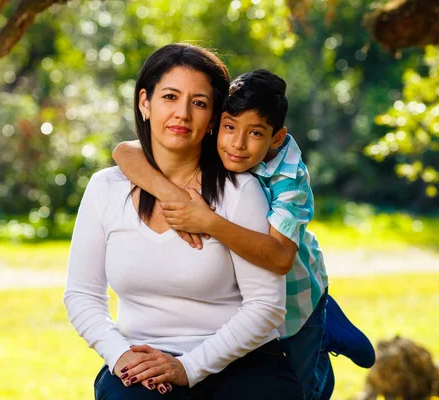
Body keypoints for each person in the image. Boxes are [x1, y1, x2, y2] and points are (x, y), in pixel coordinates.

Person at [112, 69, 375, 399]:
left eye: (255, 133)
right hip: (247, 296)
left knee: (299, 384)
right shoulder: (214, 141)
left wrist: (207, 222)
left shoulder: (290, 179)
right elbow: (124, 151)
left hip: (297, 297)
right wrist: (175, 198)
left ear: (276, 138)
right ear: (217, 123)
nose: (236, 143)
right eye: (229, 127)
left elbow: (280, 258)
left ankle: (324, 327)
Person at [64, 44, 303, 400]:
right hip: (143, 360)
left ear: (213, 118)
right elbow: (82, 294)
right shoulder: (105, 188)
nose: (182, 114)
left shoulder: (240, 191)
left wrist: (188, 368)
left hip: (241, 362)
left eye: (199, 103)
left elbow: (266, 306)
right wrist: (120, 356)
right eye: (170, 97)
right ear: (145, 103)